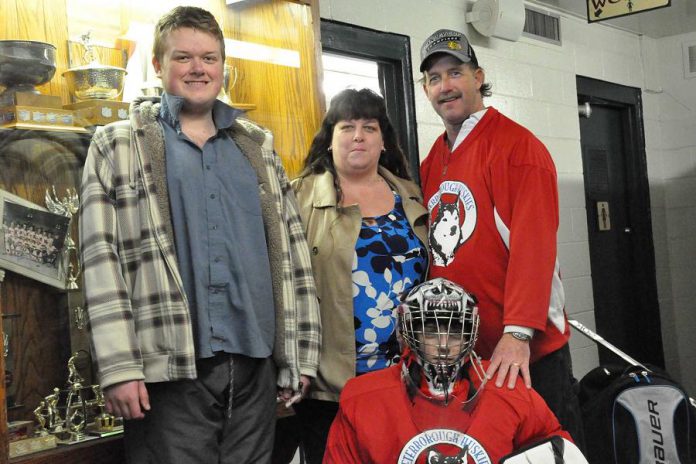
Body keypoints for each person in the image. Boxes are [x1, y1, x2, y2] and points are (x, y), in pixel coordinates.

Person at [79, 6, 321, 463]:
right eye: (183, 57)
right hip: (169, 370)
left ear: (222, 66)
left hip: (255, 366)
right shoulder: (118, 145)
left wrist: (299, 356)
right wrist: (117, 368)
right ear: (158, 65)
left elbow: (293, 258)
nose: (198, 69)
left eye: (209, 58)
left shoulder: (257, 148)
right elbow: (99, 260)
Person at [418, 29, 584, 445]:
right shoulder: (433, 159)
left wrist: (518, 333)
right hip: (467, 357)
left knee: (545, 451)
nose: (445, 86)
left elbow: (535, 250)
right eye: (434, 79)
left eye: (454, 73)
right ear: (425, 89)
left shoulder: (518, 148)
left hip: (525, 354)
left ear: (478, 76)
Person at [274, 88, 429, 463]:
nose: (358, 135)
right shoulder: (297, 199)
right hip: (332, 386)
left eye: (369, 127)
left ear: (383, 141)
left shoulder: (412, 196)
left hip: (406, 380)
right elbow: (279, 285)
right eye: (347, 126)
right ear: (329, 139)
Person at [324, 277, 586, 463]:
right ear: (408, 332)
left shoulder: (505, 387)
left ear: (470, 333)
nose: (442, 344)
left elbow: (558, 450)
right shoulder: (365, 398)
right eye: (430, 330)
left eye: (454, 331)